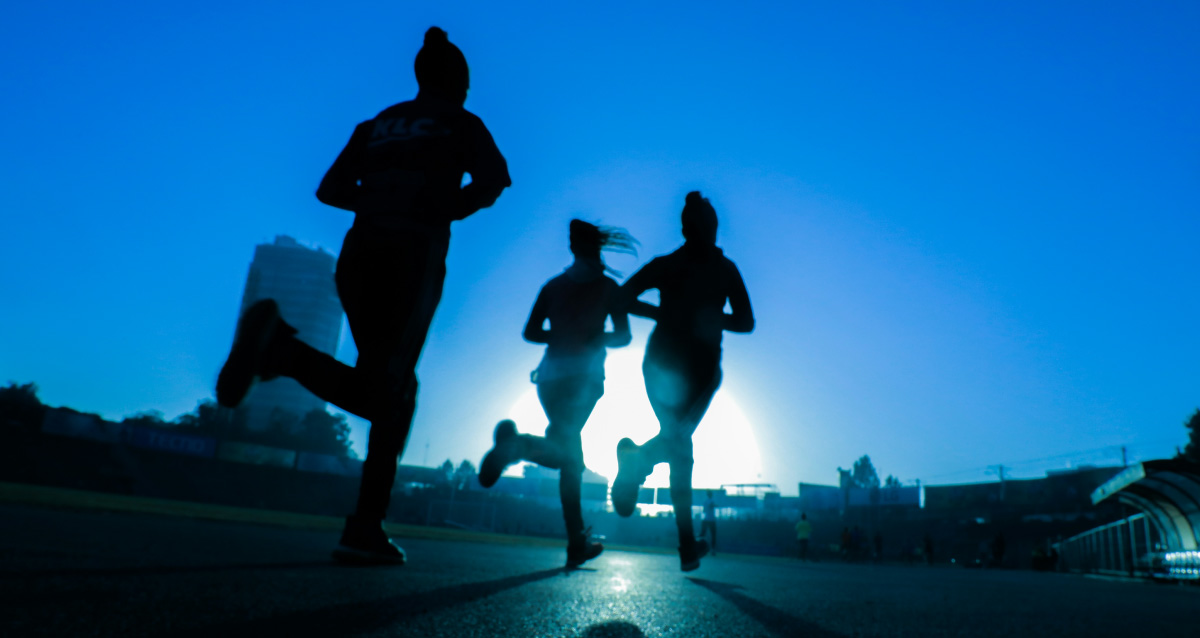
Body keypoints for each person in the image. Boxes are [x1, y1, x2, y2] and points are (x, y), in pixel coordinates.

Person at [215, 27, 510, 565]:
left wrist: (377, 198)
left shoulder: (376, 125)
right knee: (389, 392)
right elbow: (495, 181)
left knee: (393, 386)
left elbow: (328, 189)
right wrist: (439, 206)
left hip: (359, 256)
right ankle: (283, 353)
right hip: (411, 257)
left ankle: (365, 525)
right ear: (458, 81)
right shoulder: (461, 123)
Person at [609, 191, 755, 572]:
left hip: (686, 374)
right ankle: (685, 544)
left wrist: (678, 315)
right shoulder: (708, 268)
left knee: (678, 444)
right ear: (695, 228)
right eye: (706, 227)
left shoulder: (703, 268)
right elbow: (621, 298)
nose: (709, 233)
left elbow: (746, 321)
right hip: (680, 372)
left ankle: (637, 465)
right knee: (680, 445)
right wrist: (670, 313)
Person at [477, 220, 635, 567]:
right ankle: (517, 447)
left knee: (570, 458)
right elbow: (624, 337)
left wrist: (561, 335)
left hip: (549, 379)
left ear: (571, 248)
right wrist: (593, 337)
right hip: (584, 380)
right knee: (570, 459)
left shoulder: (553, 286)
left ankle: (576, 540)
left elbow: (531, 331)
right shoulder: (609, 289)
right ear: (597, 248)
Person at [700, 490, 718, 556]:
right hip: (711, 520)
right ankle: (712, 550)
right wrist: (715, 505)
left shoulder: (705, 502)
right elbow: (712, 505)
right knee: (713, 536)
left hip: (706, 520)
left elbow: (704, 511)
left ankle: (701, 548)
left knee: (703, 535)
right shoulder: (711, 501)